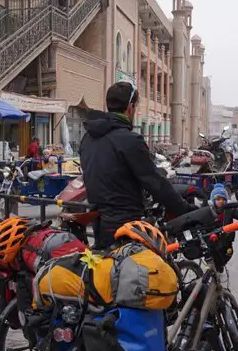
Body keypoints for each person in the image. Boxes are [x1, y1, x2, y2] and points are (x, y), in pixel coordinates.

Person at [80, 81, 193, 248]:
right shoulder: (130, 140)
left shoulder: (88, 138)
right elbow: (154, 182)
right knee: (144, 269)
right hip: (125, 224)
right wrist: (185, 209)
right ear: (130, 107)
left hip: (98, 219)